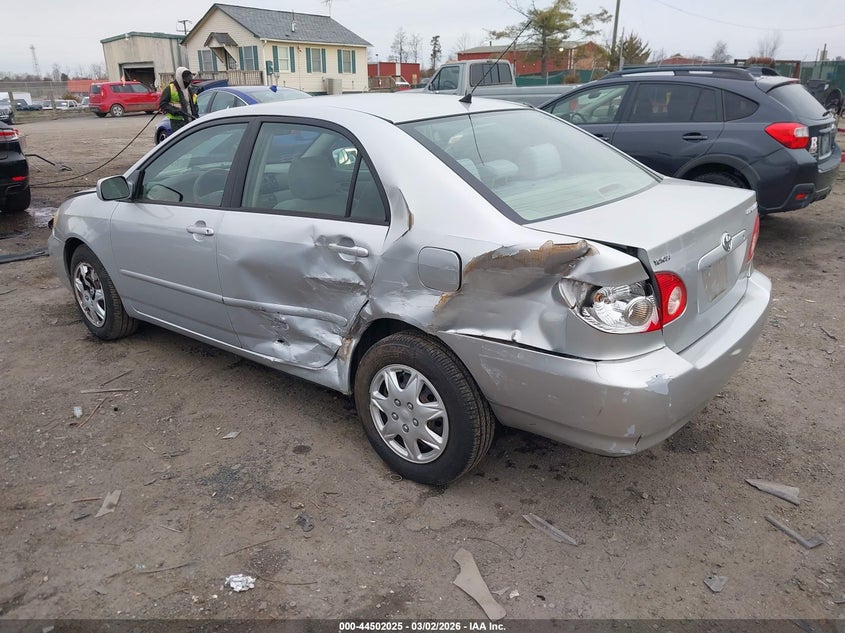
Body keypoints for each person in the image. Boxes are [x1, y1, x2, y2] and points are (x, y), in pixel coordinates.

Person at [158, 66, 199, 133]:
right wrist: (174, 111)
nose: (187, 81)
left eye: (189, 79)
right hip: (178, 122)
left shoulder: (189, 90)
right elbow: (163, 104)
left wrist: (196, 116)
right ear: (179, 78)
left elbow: (194, 104)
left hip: (191, 121)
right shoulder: (170, 89)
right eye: (186, 80)